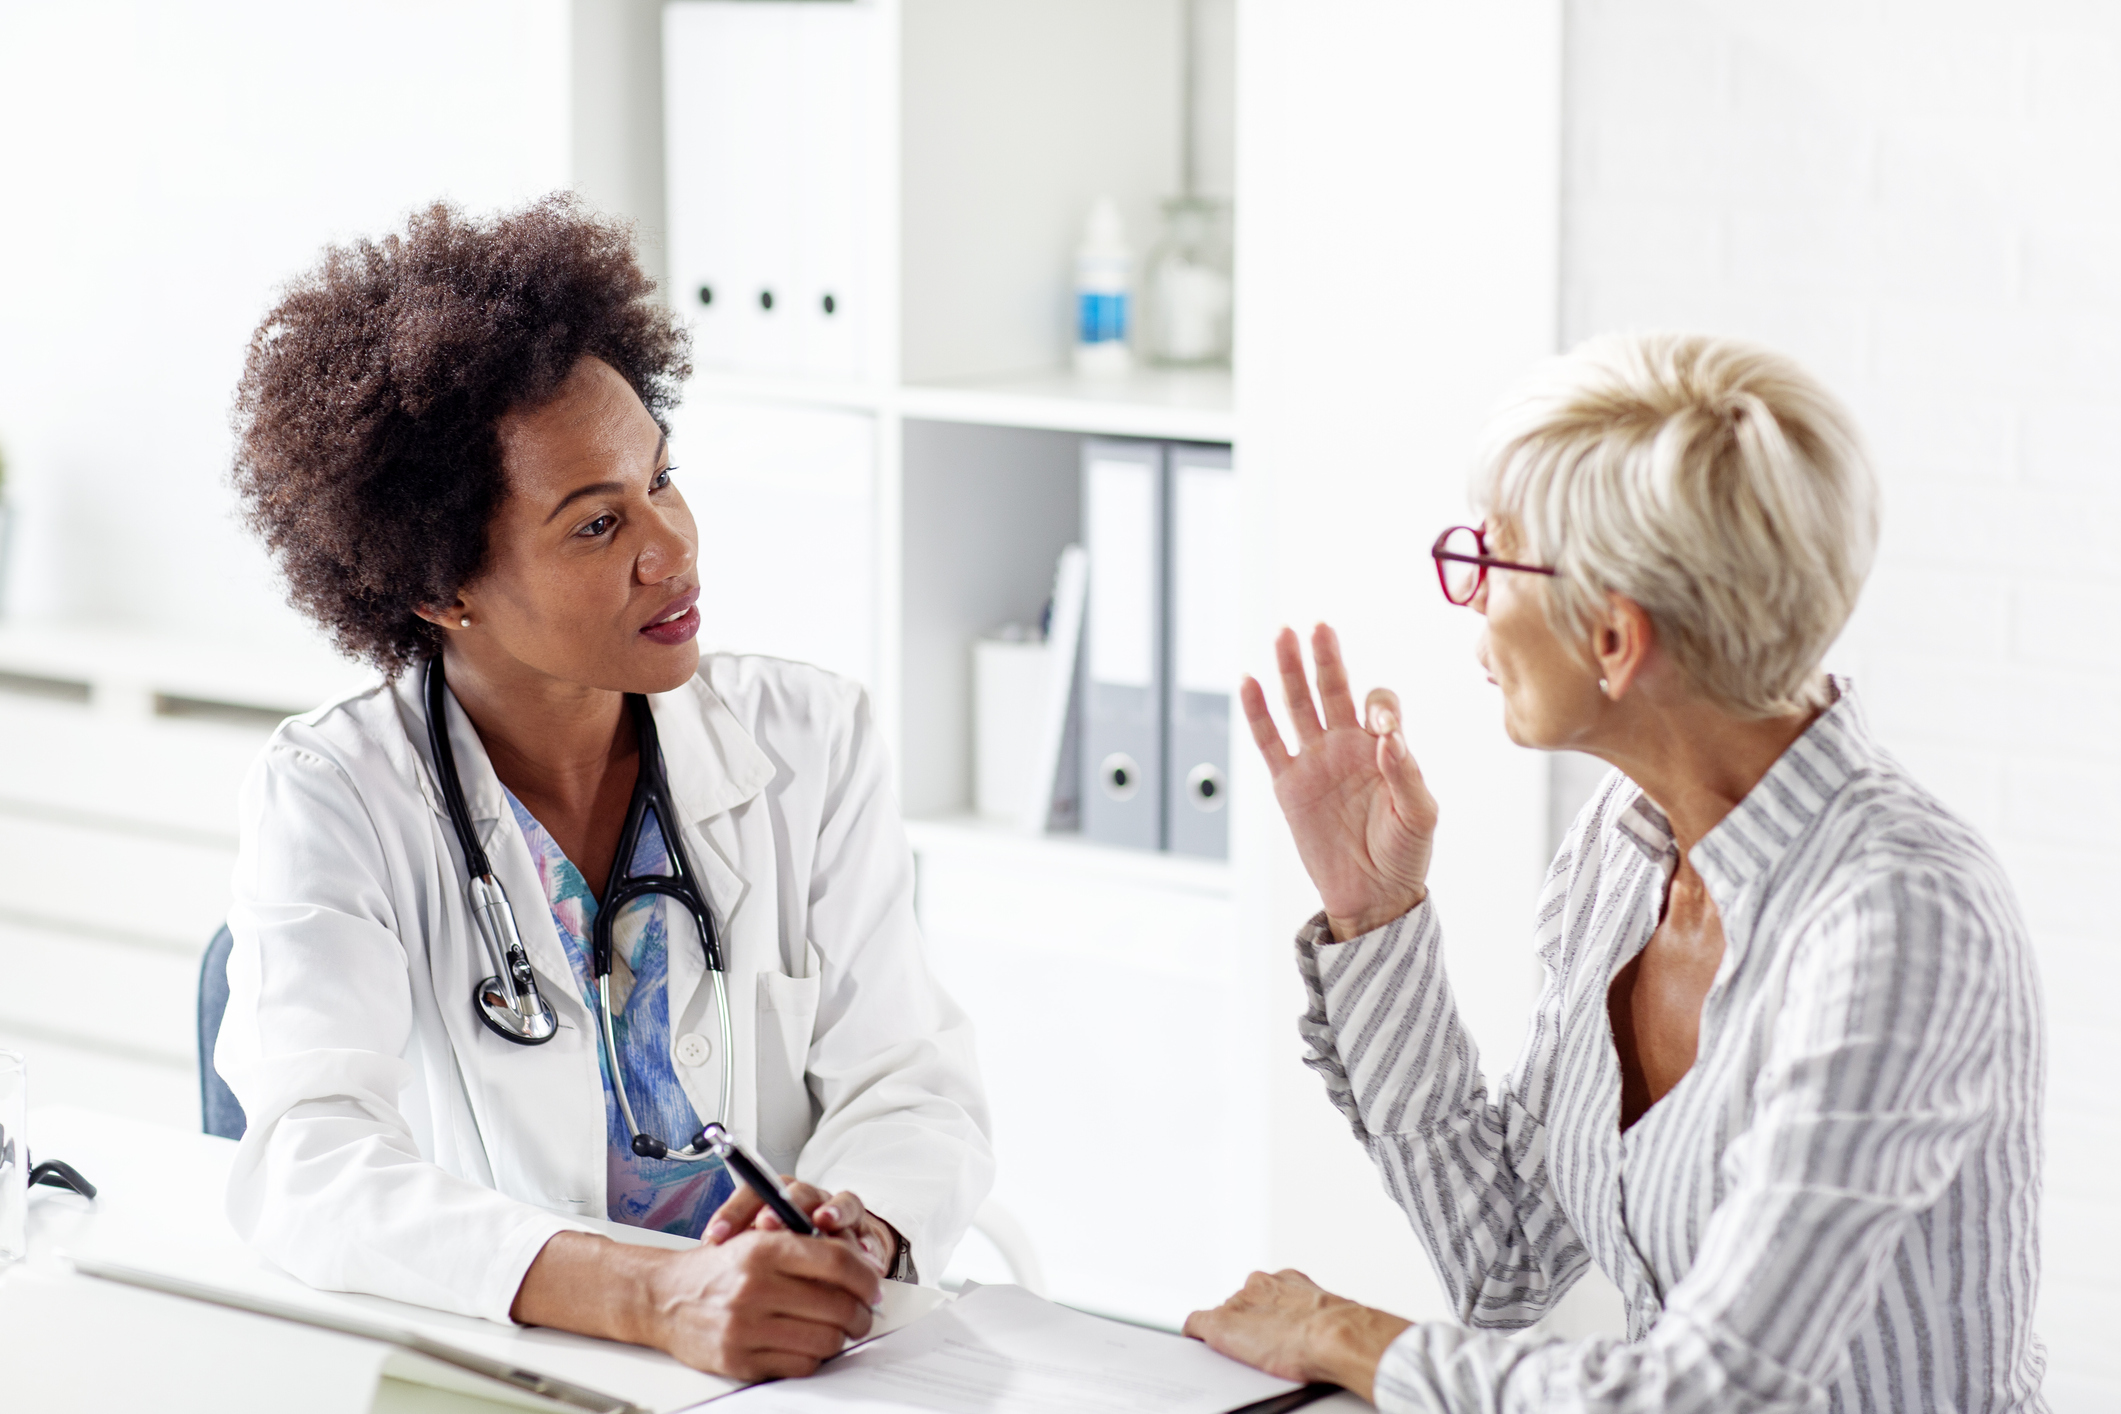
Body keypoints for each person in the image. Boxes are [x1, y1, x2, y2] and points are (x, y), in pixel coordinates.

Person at [1184, 333, 2046, 1412]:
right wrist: (1376, 913)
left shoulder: (1903, 919)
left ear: (1612, 637)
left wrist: (1342, 1333)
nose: (1471, 600)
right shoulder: (1624, 843)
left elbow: (1714, 1390)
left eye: (1490, 559)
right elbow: (1504, 1261)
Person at [216, 196, 992, 1379]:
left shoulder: (811, 740)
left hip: (808, 1364)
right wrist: (653, 1292)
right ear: (440, 588)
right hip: (512, 1367)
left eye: (664, 481)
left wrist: (853, 1229)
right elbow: (308, 1160)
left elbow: (913, 1082)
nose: (672, 550)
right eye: (595, 525)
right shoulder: (337, 793)